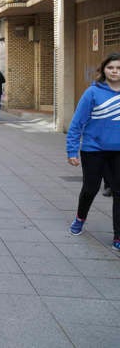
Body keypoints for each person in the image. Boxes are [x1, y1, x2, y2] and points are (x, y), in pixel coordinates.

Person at [66, 52, 120, 252]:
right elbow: (77, 123)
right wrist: (72, 150)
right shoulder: (93, 92)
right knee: (91, 188)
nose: (115, 71)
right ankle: (80, 218)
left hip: (118, 152)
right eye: (111, 67)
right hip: (93, 150)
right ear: (104, 69)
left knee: (119, 192)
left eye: (118, 68)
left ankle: (118, 236)